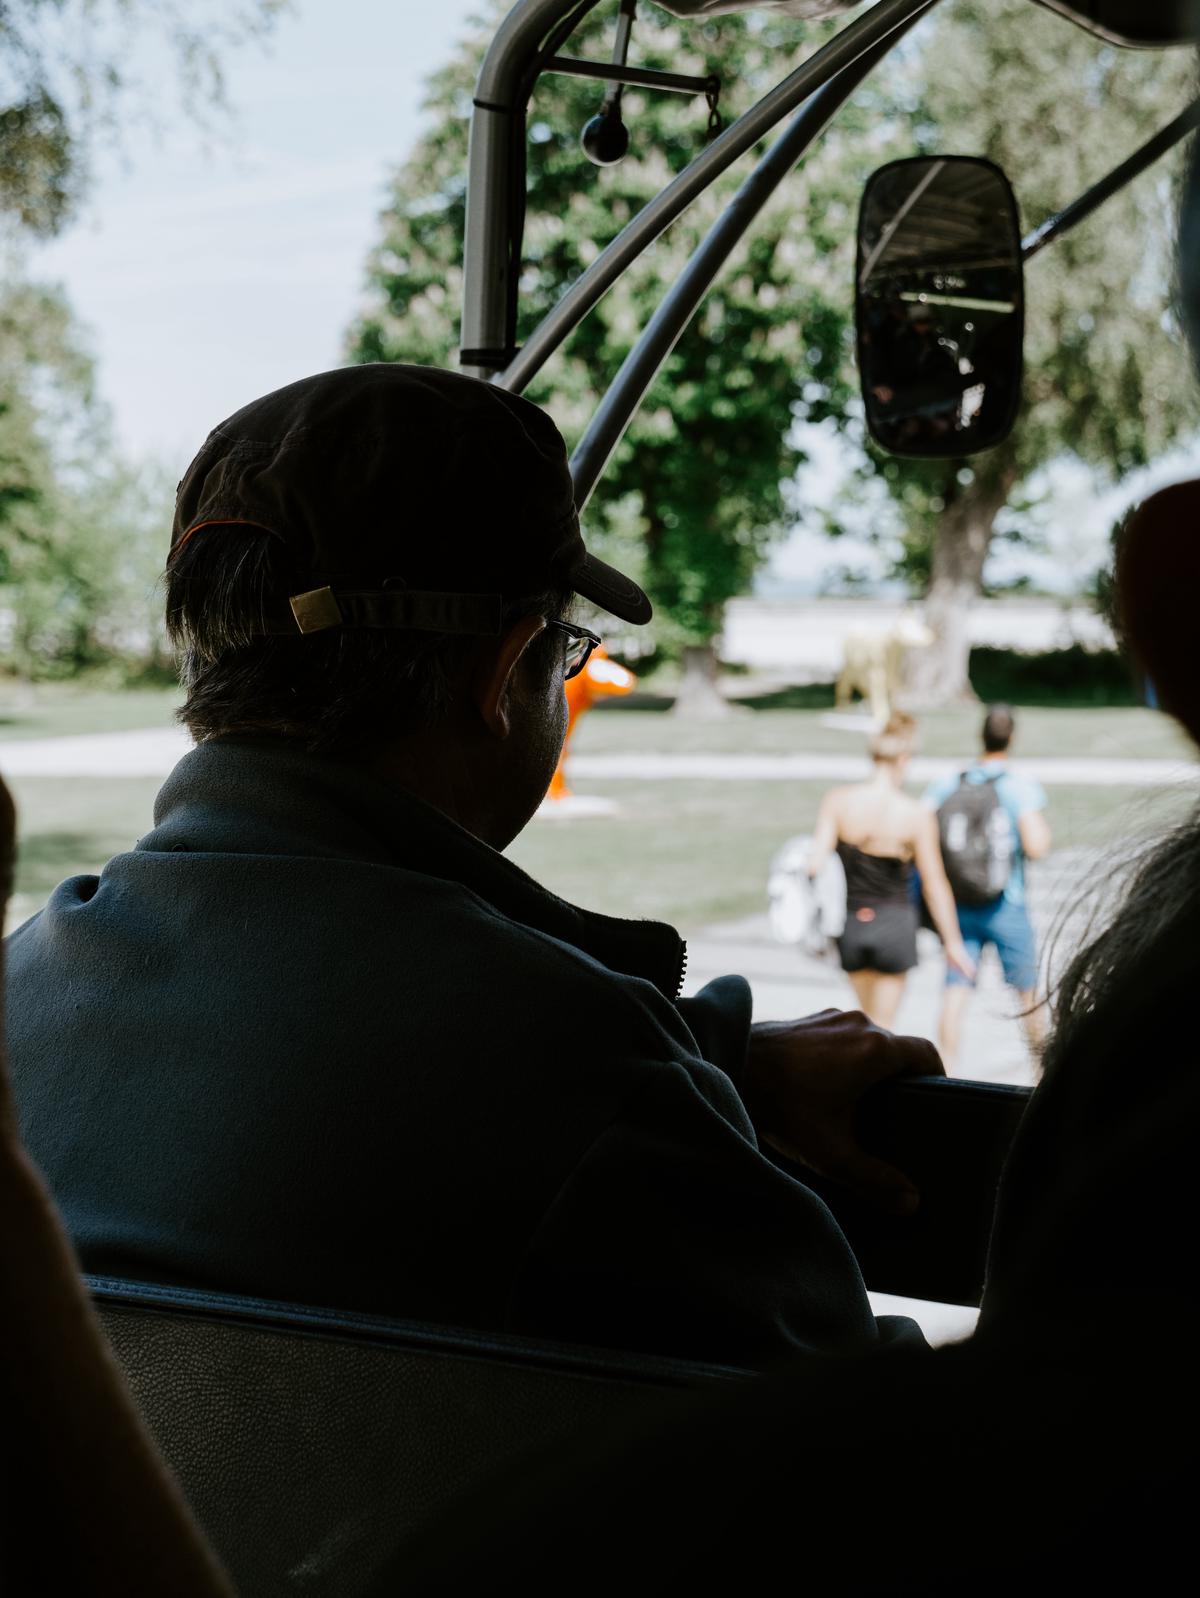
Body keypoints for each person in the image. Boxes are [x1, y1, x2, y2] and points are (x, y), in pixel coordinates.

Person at [5, 364, 937, 1374]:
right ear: (505, 672)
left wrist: (705, 1052)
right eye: (566, 653)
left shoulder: (19, 996)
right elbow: (876, 1434)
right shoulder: (578, 1075)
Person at [807, 714, 974, 1029]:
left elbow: (815, 865)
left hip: (852, 925)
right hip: (894, 927)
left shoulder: (838, 801)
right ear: (904, 758)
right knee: (883, 1028)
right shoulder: (915, 814)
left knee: (862, 1021)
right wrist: (953, 943)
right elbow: (934, 883)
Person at [924, 705, 1050, 1071]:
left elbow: (925, 826)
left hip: (959, 903)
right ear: (1012, 737)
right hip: (1005, 903)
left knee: (955, 990)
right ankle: (1041, 1075)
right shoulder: (1018, 785)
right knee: (1026, 993)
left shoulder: (951, 781)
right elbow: (1037, 844)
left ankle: (946, 1072)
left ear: (981, 735)